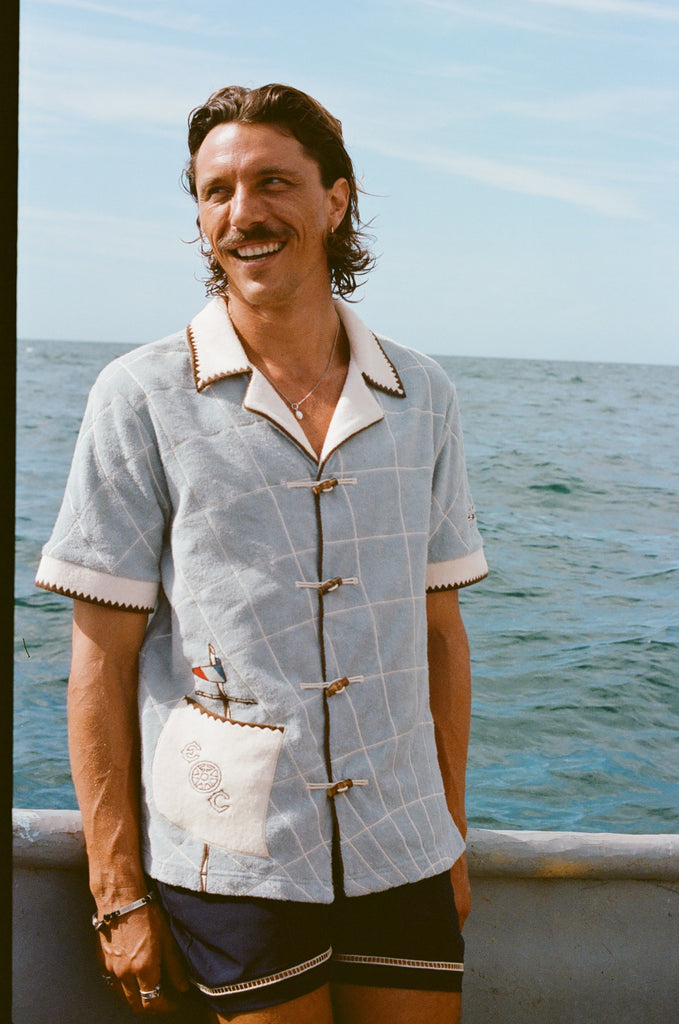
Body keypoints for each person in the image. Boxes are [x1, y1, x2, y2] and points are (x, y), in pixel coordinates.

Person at [35, 84, 488, 1023]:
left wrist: (448, 831)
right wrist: (117, 891)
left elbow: (442, 634)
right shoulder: (140, 394)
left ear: (336, 200)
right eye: (217, 191)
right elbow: (101, 655)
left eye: (273, 182)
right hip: (232, 852)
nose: (243, 212)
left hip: (405, 841)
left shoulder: (424, 394)